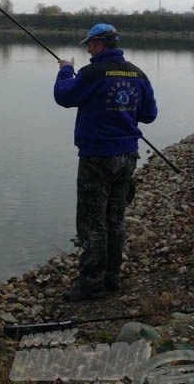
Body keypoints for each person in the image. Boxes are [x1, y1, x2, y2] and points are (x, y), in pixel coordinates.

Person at [54, 23, 158, 302]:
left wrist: (66, 69)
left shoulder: (92, 73)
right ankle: (112, 278)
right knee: (115, 218)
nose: (87, 50)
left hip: (97, 157)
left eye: (89, 44)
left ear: (99, 45)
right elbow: (149, 115)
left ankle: (91, 284)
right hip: (127, 157)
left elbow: (64, 96)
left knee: (92, 221)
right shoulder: (138, 74)